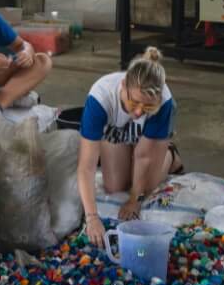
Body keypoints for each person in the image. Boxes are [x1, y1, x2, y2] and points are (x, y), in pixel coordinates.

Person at [76, 48, 184, 246]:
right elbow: (87, 166)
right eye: (133, 102)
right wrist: (92, 217)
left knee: (149, 186)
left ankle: (170, 154)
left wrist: (135, 199)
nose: (138, 112)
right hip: (118, 134)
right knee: (115, 186)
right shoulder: (99, 98)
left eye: (147, 107)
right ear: (123, 84)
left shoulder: (164, 102)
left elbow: (143, 156)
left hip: (146, 140)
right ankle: (130, 150)